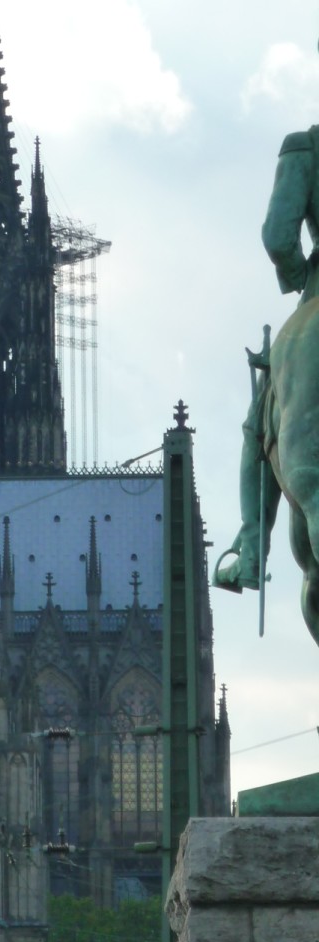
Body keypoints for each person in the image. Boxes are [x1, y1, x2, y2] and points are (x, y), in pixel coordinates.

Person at [214, 119, 319, 594]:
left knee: (261, 423)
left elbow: (279, 238)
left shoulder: (305, 147)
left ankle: (253, 550)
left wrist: (302, 279)